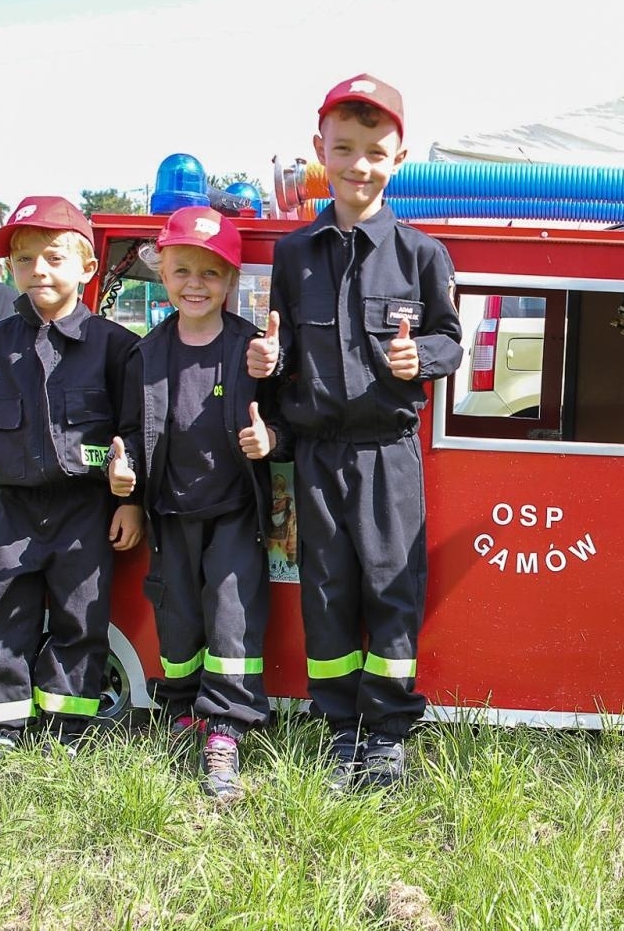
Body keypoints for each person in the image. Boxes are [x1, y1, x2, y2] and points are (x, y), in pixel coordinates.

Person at [246, 73, 463, 791]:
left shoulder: (422, 253)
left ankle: (388, 735)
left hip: (388, 455)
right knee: (328, 591)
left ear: (399, 157)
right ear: (319, 151)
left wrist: (419, 357)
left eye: (375, 150)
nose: (359, 165)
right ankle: (343, 730)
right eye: (344, 148)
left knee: (393, 589)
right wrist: (267, 364)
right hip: (315, 456)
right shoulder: (292, 255)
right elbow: (276, 359)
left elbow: (452, 341)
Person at [0, 196, 143, 794]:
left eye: (53, 257)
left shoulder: (116, 346)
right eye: (25, 259)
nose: (38, 270)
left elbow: (132, 431)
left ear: (87, 268)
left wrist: (130, 499)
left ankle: (66, 724)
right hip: (13, 509)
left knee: (81, 616)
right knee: (2, 615)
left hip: (86, 510)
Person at [109, 206, 278, 801]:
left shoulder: (250, 350)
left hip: (234, 513)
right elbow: (129, 428)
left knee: (231, 615)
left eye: (210, 272)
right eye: (183, 270)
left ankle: (226, 729)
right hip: (170, 514)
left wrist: (269, 439)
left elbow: (280, 420)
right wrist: (124, 480)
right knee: (177, 618)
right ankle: (183, 711)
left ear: (231, 280)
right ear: (164, 274)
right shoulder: (147, 354)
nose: (196, 284)